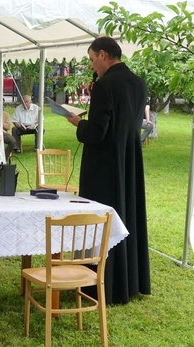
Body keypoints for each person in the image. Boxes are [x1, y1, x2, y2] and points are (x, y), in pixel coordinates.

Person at [66, 36, 151, 305]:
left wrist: (78, 122)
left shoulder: (105, 85)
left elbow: (97, 132)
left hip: (104, 166)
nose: (93, 66)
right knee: (127, 215)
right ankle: (130, 282)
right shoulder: (139, 83)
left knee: (100, 220)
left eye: (92, 59)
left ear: (104, 54)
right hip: (129, 159)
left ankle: (100, 283)